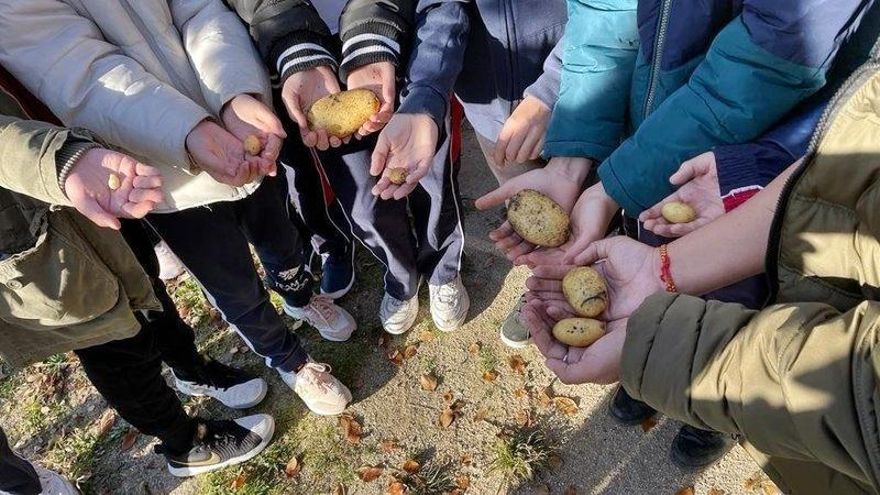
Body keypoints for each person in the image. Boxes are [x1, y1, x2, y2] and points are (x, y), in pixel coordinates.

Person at [478, 0, 880, 468]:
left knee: (739, 291)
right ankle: (653, 370)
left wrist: (616, 183)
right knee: (645, 250)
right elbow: (605, 11)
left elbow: (766, 59)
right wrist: (573, 162)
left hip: (773, 150)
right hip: (657, 136)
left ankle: (705, 412)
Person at [0, 0, 354, 415]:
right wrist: (187, 131)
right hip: (165, 173)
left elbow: (202, 8)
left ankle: (299, 297)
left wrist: (234, 92)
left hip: (238, 134)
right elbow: (84, 76)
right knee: (234, 287)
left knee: (283, 242)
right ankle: (290, 361)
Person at [0, 68, 273, 478]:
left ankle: (189, 368)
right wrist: (58, 158)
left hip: (86, 157)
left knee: (145, 281)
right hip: (27, 217)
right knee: (107, 336)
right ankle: (184, 443)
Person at [227, 0, 472, 335]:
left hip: (408, 28)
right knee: (365, 203)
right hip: (309, 54)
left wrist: (371, 40)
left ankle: (443, 271)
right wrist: (297, 48)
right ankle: (401, 280)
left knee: (431, 177)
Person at [371, 0, 567, 348]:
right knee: (533, 222)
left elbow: (611, 14)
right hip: (493, 119)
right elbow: (443, 7)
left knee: (595, 210)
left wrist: (551, 90)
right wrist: (425, 95)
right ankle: (551, 285)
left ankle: (597, 292)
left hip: (584, 101)